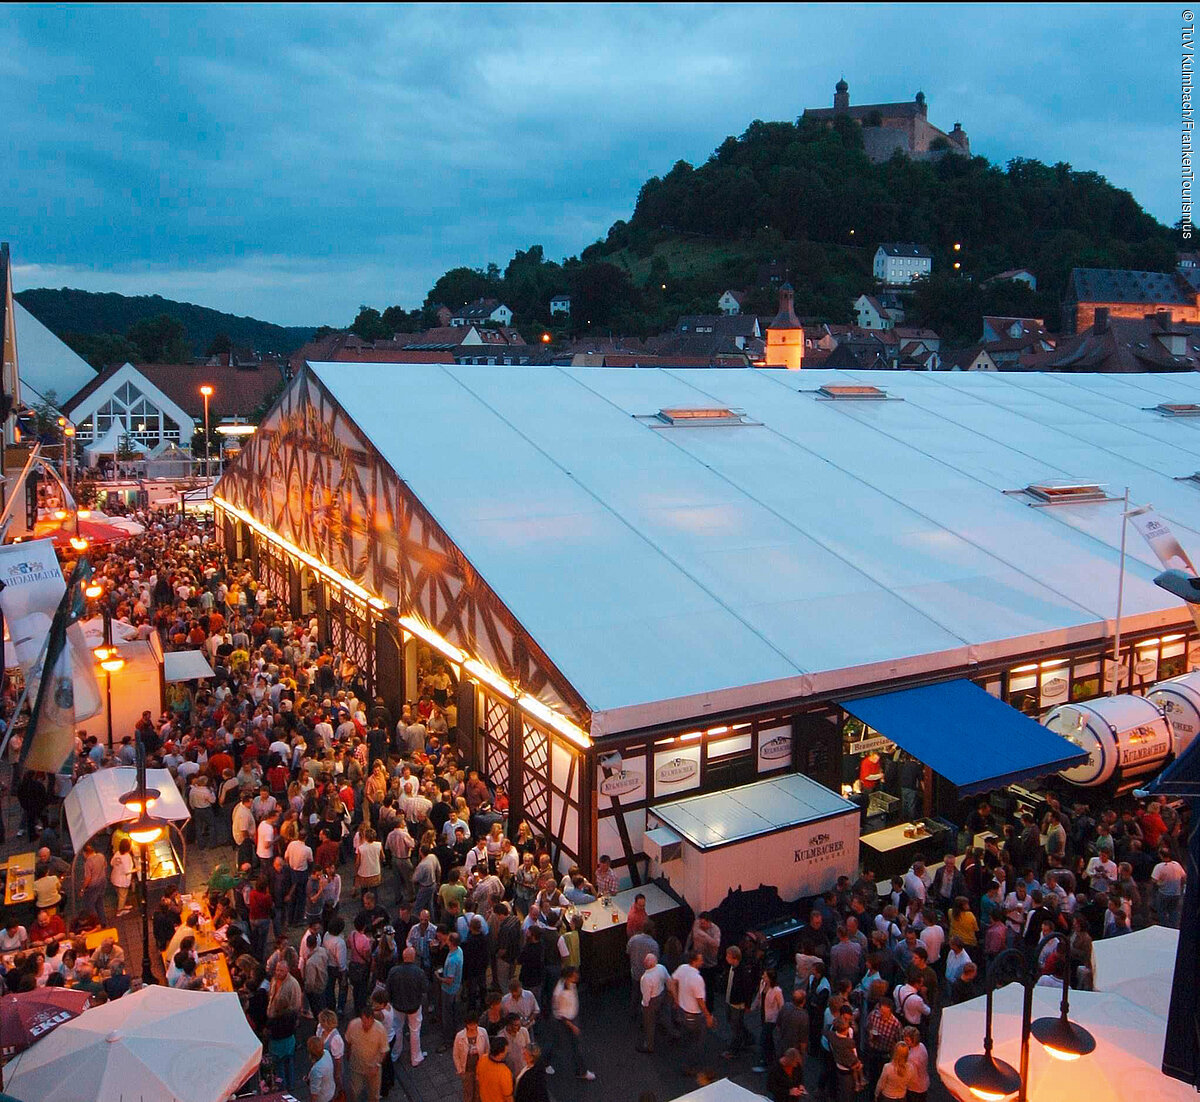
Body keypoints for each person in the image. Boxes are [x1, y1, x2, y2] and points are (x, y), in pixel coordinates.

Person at [549, 965, 595, 1080]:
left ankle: (546, 1059)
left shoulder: (570, 984)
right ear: (568, 977)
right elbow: (559, 1013)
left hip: (572, 1018)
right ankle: (582, 1071)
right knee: (574, 1046)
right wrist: (572, 1025)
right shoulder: (560, 992)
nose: (577, 977)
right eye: (575, 975)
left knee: (561, 1044)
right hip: (565, 1022)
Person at [387, 945, 429, 1067]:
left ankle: (395, 1054)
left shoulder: (394, 971)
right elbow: (425, 988)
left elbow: (388, 989)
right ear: (414, 957)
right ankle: (415, 1057)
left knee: (397, 1028)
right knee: (415, 1030)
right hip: (414, 1006)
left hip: (397, 1006)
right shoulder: (419, 972)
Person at [266, 960, 302, 1089]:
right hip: (287, 1037)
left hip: (280, 1040)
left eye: (281, 970)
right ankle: (290, 1085)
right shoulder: (274, 980)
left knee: (281, 1065)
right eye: (277, 970)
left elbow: (297, 1004)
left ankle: (284, 1087)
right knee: (288, 1062)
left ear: (287, 970)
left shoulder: (292, 985)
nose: (278, 972)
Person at [344, 1002, 390, 1102]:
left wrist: (377, 1065)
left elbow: (384, 1050)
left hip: (373, 1069)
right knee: (354, 1091)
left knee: (374, 1095)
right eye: (363, 1022)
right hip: (356, 1067)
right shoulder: (353, 1025)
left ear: (372, 1019)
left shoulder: (380, 1030)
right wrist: (347, 1053)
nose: (364, 1025)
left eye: (367, 1023)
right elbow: (348, 1041)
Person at [453, 1012, 491, 1102]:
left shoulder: (483, 1032)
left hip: (480, 1068)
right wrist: (460, 1070)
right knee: (468, 1092)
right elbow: (456, 1054)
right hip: (467, 1070)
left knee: (479, 1091)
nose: (473, 1027)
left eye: (474, 1024)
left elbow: (487, 1049)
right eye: (471, 1024)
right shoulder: (460, 1036)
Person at [1151, 846, 1187, 928]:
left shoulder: (1159, 867)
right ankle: (1174, 927)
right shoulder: (1177, 864)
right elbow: (1184, 877)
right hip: (1176, 893)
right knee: (1174, 911)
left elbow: (1154, 880)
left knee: (1161, 911)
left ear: (1161, 855)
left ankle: (1165, 927)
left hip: (1164, 893)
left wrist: (1160, 884)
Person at [476, 1035, 515, 1102]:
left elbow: (477, 1078)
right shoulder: (504, 1072)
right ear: (501, 1053)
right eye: (506, 1050)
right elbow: (508, 1096)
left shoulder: (482, 1059)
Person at [306, 1034, 336, 1102]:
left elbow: (314, 1094)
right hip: (330, 1091)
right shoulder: (326, 1053)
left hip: (322, 1098)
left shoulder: (317, 1070)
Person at [110, 838, 135, 916]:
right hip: (122, 880)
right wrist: (137, 869)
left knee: (119, 894)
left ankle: (123, 906)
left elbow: (111, 863)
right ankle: (120, 911)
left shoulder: (117, 853)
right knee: (122, 896)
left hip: (114, 877)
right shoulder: (127, 856)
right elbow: (127, 871)